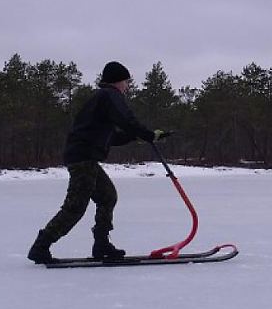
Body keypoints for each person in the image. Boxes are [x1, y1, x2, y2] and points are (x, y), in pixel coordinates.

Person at [27, 61, 167, 263]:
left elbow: (109, 136)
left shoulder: (102, 99)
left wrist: (137, 137)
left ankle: (101, 244)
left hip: (85, 157)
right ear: (118, 81)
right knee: (75, 206)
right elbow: (126, 120)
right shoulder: (110, 95)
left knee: (108, 196)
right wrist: (146, 134)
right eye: (126, 82)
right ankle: (41, 246)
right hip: (82, 158)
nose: (127, 86)